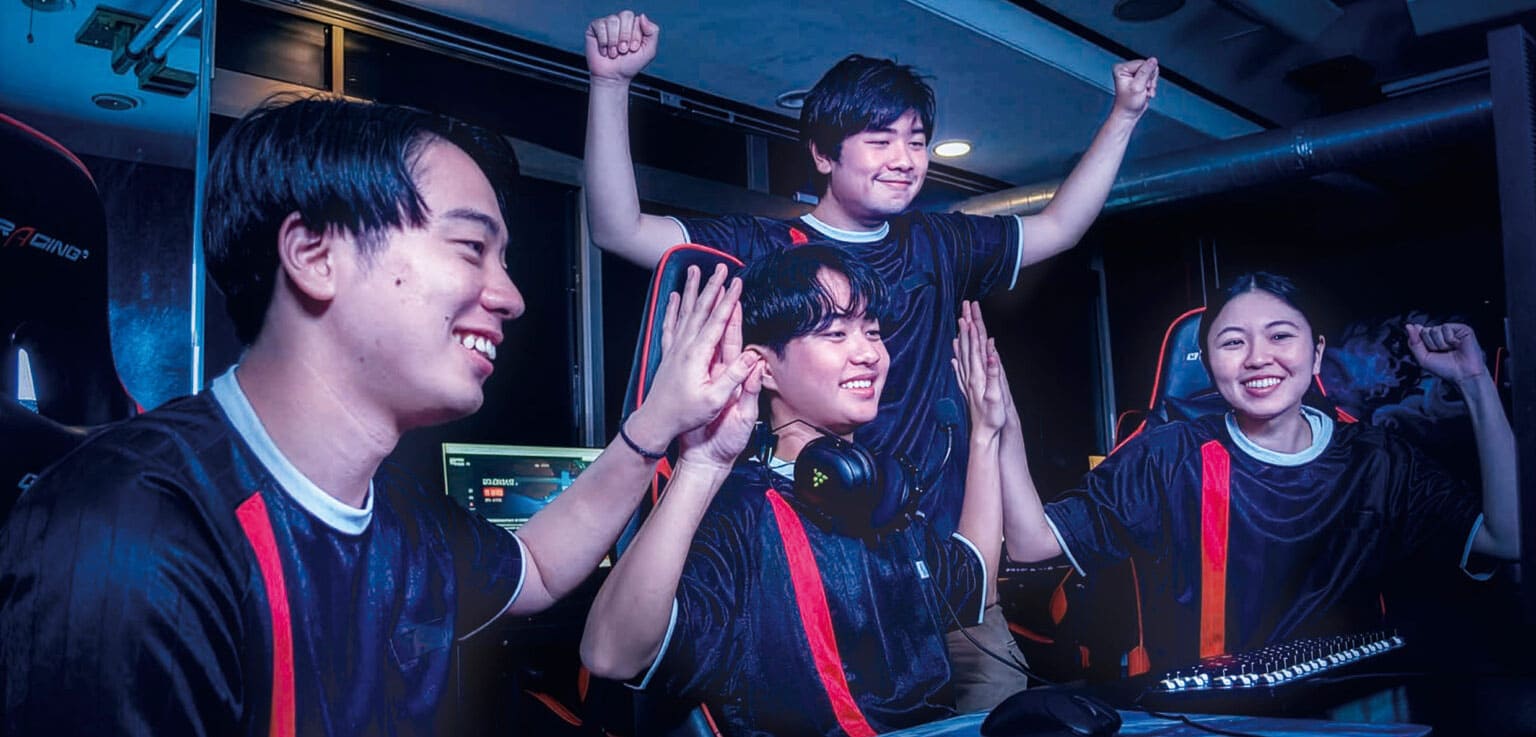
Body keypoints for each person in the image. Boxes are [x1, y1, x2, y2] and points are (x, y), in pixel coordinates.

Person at [0, 97, 760, 737]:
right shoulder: (128, 538)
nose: (511, 297)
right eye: (471, 247)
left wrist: (668, 426)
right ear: (315, 255)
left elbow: (536, 566)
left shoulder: (395, 512)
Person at [583, 11, 1157, 707]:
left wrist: (1124, 115)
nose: (905, 158)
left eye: (917, 140)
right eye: (880, 140)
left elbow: (1061, 226)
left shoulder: (940, 243)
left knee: (1007, 712)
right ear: (824, 155)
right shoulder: (766, 249)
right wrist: (610, 86)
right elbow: (619, 229)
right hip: (817, 563)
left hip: (936, 566)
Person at [581, 246, 1015, 736]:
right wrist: (699, 465)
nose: (869, 353)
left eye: (873, 331)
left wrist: (985, 433)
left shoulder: (879, 498)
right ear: (763, 368)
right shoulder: (741, 510)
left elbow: (973, 583)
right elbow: (611, 653)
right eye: (836, 333)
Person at [998, 272, 1520, 671]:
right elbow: (1030, 543)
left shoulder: (1378, 459)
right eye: (1232, 342)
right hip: (1212, 715)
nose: (1257, 358)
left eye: (1280, 336)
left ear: (1316, 353)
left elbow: (1508, 538)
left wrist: (1474, 381)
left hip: (1352, 707)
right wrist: (1002, 424)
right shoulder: (1168, 456)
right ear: (1208, 363)